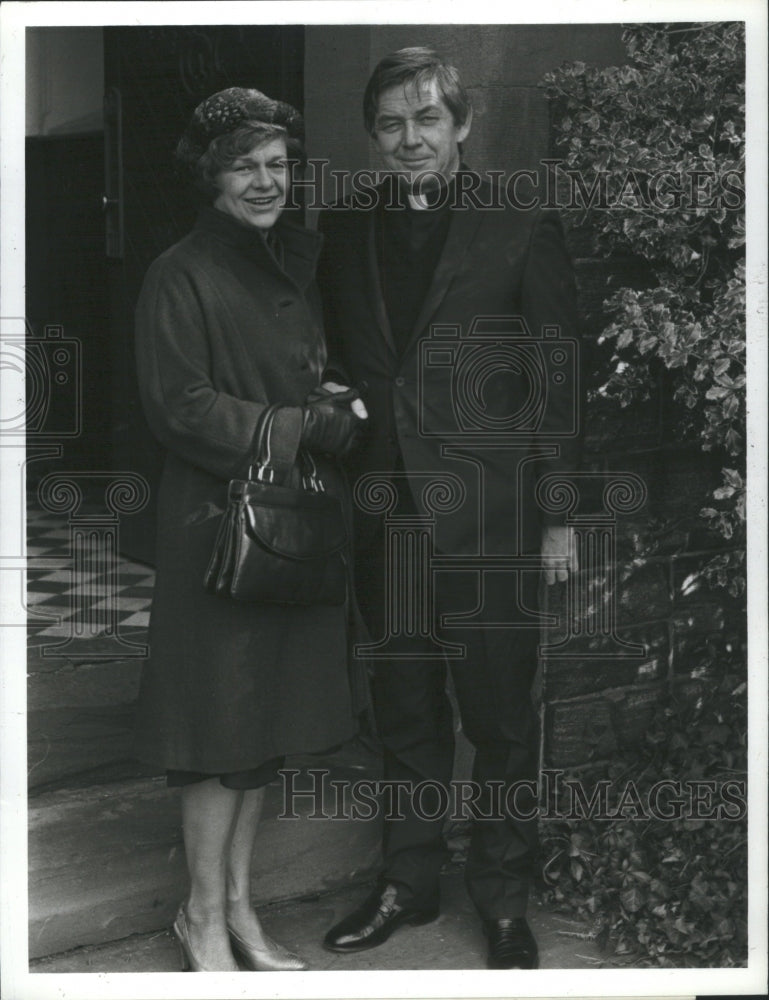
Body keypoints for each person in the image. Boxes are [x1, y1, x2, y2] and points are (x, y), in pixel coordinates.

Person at [317, 48, 580, 969]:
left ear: (462, 125)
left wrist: (555, 514)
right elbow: (338, 363)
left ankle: (504, 899)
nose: (409, 139)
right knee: (404, 710)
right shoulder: (343, 229)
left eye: (426, 119)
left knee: (502, 720)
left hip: (493, 520)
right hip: (384, 514)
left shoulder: (518, 223)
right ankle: (408, 881)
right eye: (390, 124)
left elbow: (553, 374)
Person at [132, 87, 367, 973]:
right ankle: (198, 916)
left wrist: (340, 397)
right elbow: (179, 405)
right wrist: (299, 426)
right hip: (215, 530)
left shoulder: (291, 262)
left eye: (277, 165)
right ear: (210, 175)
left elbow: (311, 367)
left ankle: (238, 907)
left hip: (289, 522)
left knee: (259, 726)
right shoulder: (180, 272)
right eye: (245, 166)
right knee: (213, 727)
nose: (266, 182)